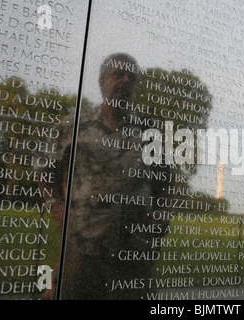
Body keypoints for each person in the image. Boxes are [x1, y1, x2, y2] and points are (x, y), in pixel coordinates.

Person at [41, 53, 169, 299]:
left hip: (134, 248)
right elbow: (44, 170)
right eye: (118, 74)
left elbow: (166, 181)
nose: (124, 80)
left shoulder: (149, 131)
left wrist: (163, 213)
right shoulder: (73, 126)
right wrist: (55, 206)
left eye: (131, 76)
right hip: (82, 245)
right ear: (102, 81)